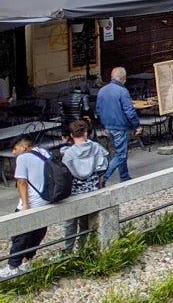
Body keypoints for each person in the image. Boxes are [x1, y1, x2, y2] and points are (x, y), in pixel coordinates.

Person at [2, 137, 50, 279]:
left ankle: (12, 266)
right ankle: (27, 260)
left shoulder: (23, 158)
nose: (13, 152)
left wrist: (25, 204)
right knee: (38, 231)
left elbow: (21, 181)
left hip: (32, 201)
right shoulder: (44, 152)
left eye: (15, 149)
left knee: (20, 234)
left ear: (22, 147)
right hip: (46, 200)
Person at [60, 119, 108, 252]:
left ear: (71, 135)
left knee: (70, 223)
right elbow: (101, 172)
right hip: (92, 190)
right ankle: (82, 249)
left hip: (74, 193)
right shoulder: (96, 148)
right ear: (86, 133)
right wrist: (100, 187)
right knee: (85, 224)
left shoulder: (68, 154)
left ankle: (68, 250)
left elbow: (65, 176)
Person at [94, 66, 140, 183]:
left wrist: (103, 126)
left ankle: (124, 176)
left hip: (108, 126)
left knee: (120, 151)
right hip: (119, 126)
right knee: (121, 154)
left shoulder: (102, 91)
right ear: (123, 78)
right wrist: (136, 125)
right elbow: (129, 111)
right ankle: (104, 177)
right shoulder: (122, 91)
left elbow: (98, 110)